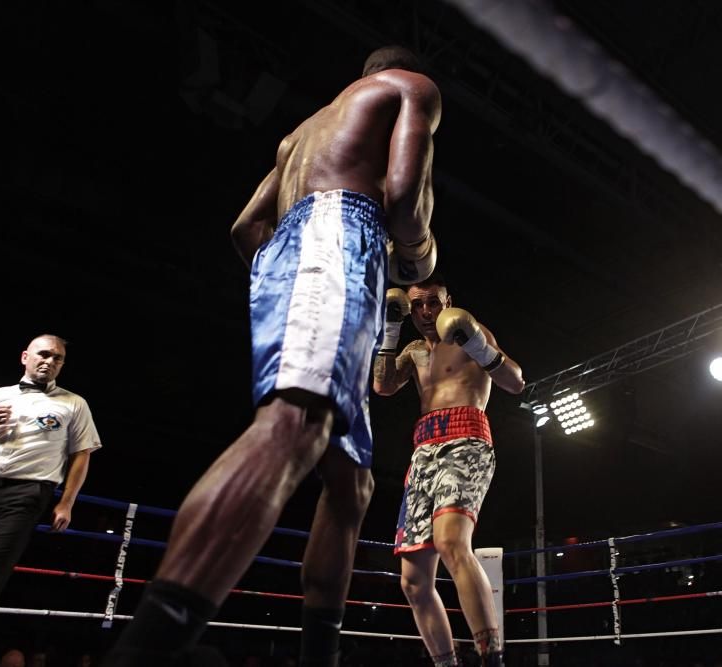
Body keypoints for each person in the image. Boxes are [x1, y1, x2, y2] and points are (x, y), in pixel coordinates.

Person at [103, 45, 441, 667]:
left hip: (296, 248)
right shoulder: (411, 88)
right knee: (297, 424)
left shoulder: (302, 132)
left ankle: (320, 657)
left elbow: (244, 230)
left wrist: (294, 268)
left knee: (351, 482)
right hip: (339, 236)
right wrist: (420, 256)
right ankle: (146, 648)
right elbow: (402, 203)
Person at [372, 274, 525, 667]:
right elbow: (383, 386)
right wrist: (389, 327)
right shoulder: (413, 352)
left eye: (434, 303)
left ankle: (492, 657)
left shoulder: (469, 334)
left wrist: (476, 343)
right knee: (413, 580)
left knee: (452, 542)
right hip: (423, 450)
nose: (426, 312)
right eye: (416, 305)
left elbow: (515, 382)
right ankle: (447, 663)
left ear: (448, 301)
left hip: (467, 438)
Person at [0, 335, 100, 667]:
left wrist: (66, 502)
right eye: (44, 354)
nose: (50, 361)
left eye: (57, 358)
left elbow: (81, 456)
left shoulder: (73, 403)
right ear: (25, 356)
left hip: (24, 495)